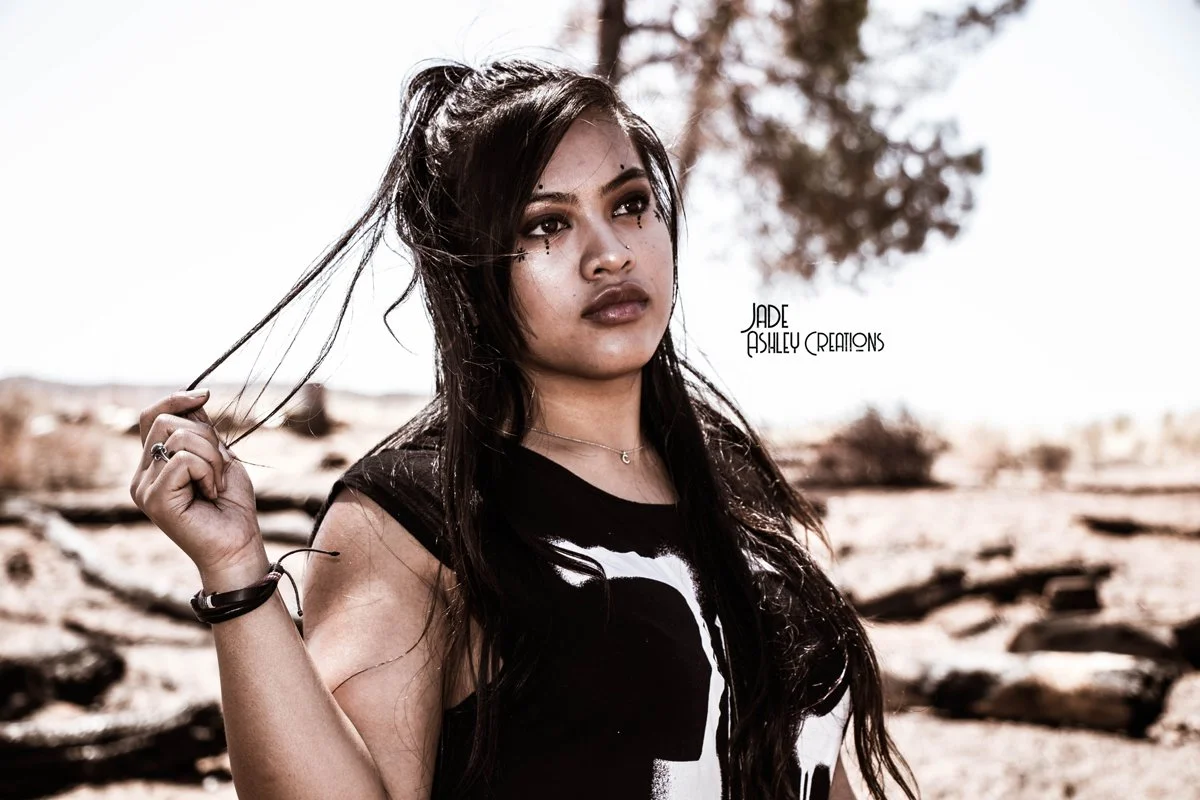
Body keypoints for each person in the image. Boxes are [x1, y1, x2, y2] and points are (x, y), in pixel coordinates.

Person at [129, 59, 918, 800]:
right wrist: (238, 580)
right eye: (546, 225)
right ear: (473, 268)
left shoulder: (726, 472)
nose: (609, 254)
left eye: (629, 204)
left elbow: (809, 758)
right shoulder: (416, 515)